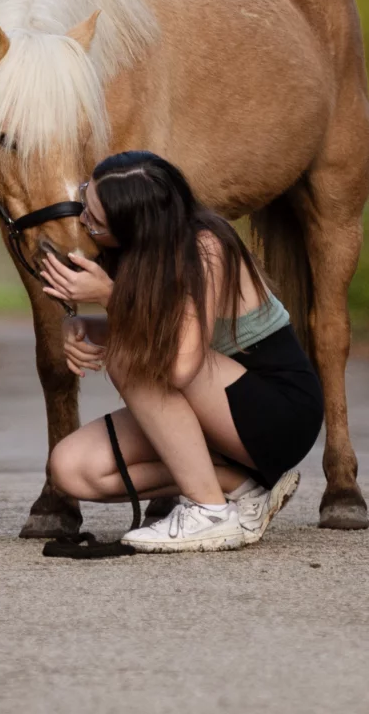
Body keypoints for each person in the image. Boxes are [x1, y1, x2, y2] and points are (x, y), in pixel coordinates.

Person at [39, 149, 324, 552]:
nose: (83, 219)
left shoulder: (207, 248)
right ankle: (242, 490)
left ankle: (208, 512)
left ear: (135, 224)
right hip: (217, 412)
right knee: (72, 469)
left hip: (278, 412)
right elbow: (162, 329)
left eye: (95, 220)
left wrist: (112, 299)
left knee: (129, 356)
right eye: (87, 198)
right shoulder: (140, 253)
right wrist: (82, 325)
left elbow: (178, 366)